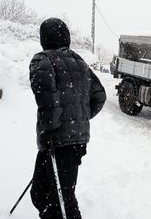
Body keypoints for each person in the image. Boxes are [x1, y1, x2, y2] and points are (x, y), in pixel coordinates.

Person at [29, 18, 106, 219]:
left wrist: (53, 128)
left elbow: (47, 100)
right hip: (72, 140)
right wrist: (78, 118)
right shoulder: (78, 61)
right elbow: (99, 96)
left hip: (56, 140)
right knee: (43, 192)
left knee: (62, 201)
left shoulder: (41, 60)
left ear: (43, 38)